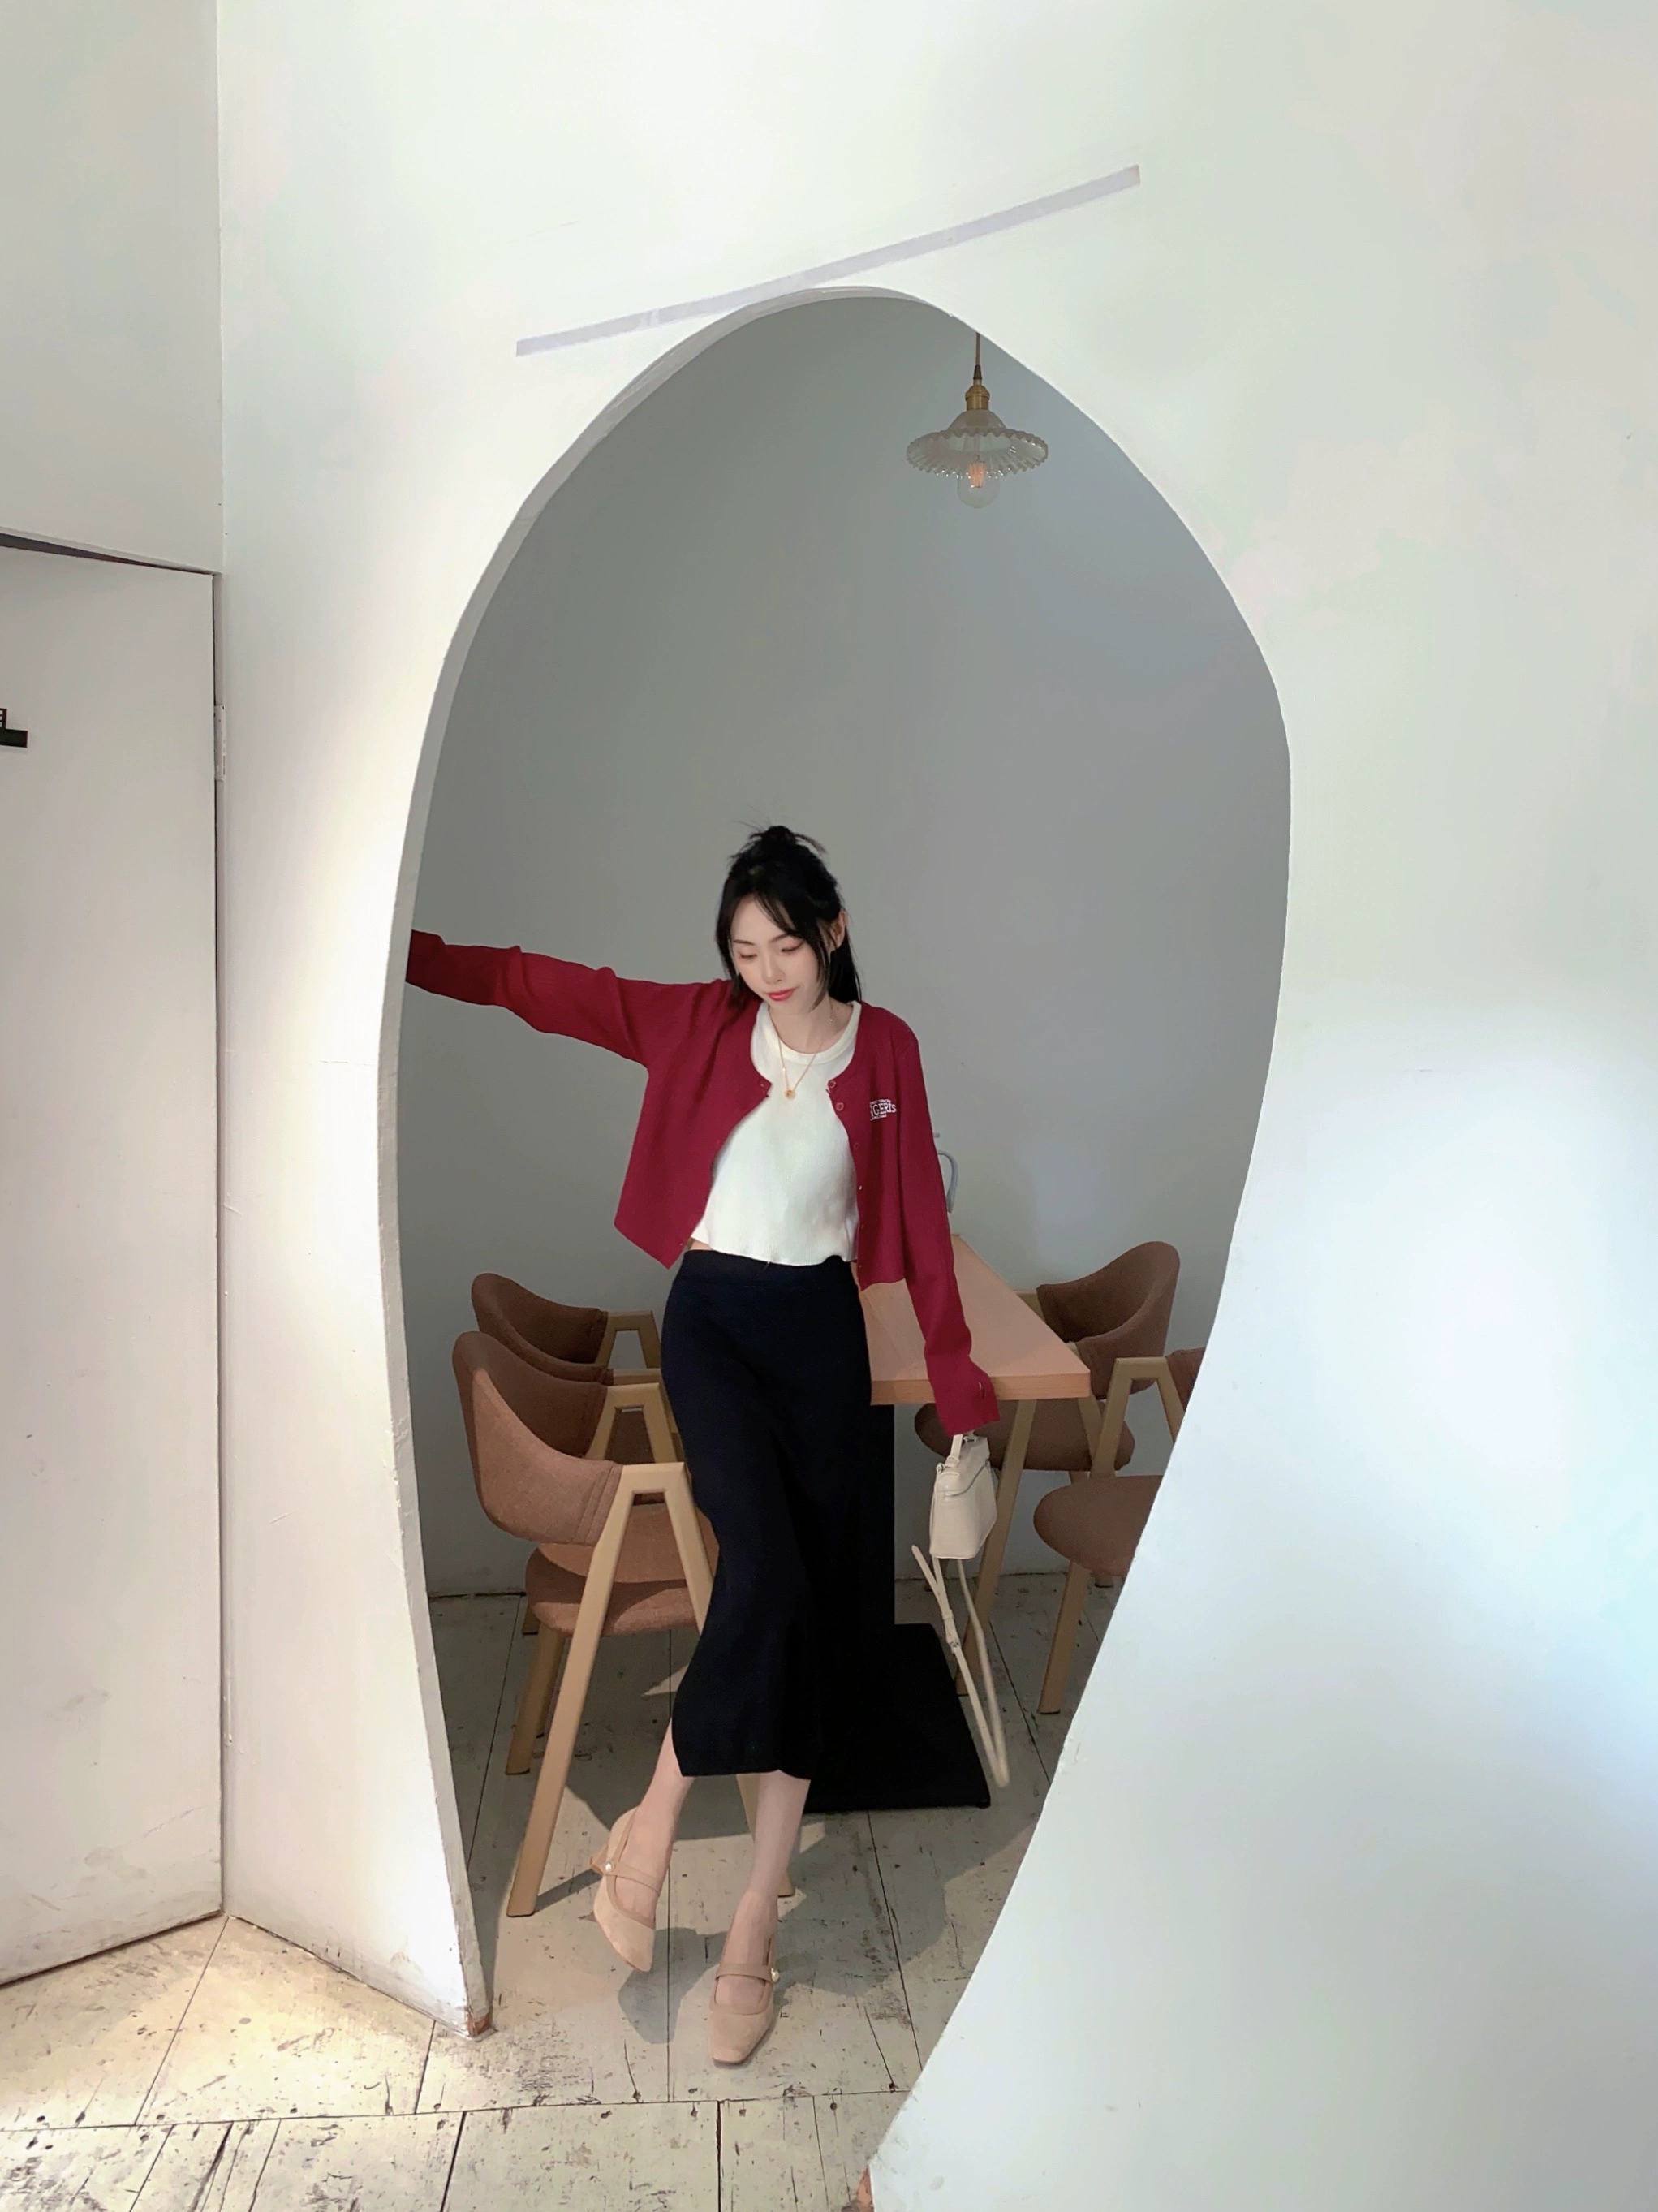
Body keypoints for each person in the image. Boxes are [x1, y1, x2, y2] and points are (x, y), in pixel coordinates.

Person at [407, 823, 995, 2064]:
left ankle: (748, 1928)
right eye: (744, 951)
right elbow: (534, 986)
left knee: (808, 1621)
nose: (767, 972)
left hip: (821, 1333)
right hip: (716, 1323)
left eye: (786, 946)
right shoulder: (691, 1023)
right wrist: (397, 955)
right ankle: (657, 1825)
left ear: (832, 932)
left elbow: (920, 1225)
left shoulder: (885, 1048)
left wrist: (959, 1391)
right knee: (768, 1576)